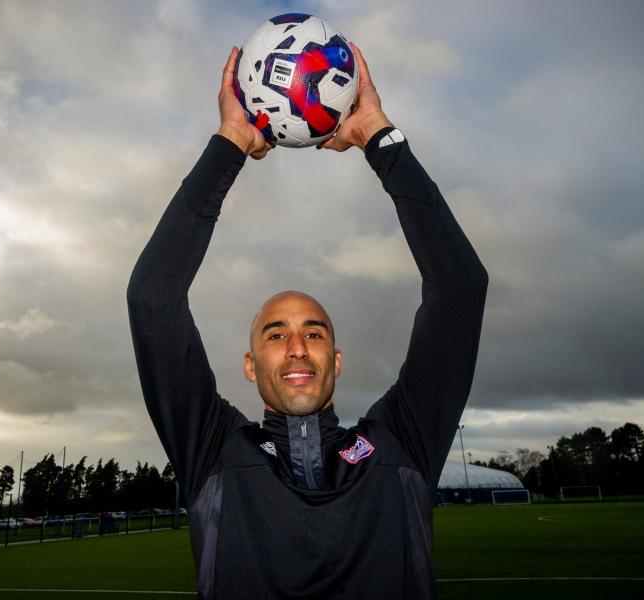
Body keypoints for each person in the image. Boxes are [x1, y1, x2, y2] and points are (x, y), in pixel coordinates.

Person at [128, 42, 488, 599]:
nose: (297, 347)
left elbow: (460, 290)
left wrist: (379, 138)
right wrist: (231, 143)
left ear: (336, 360)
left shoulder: (402, 441)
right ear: (250, 366)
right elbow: (153, 299)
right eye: (276, 335)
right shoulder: (212, 449)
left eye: (313, 333)